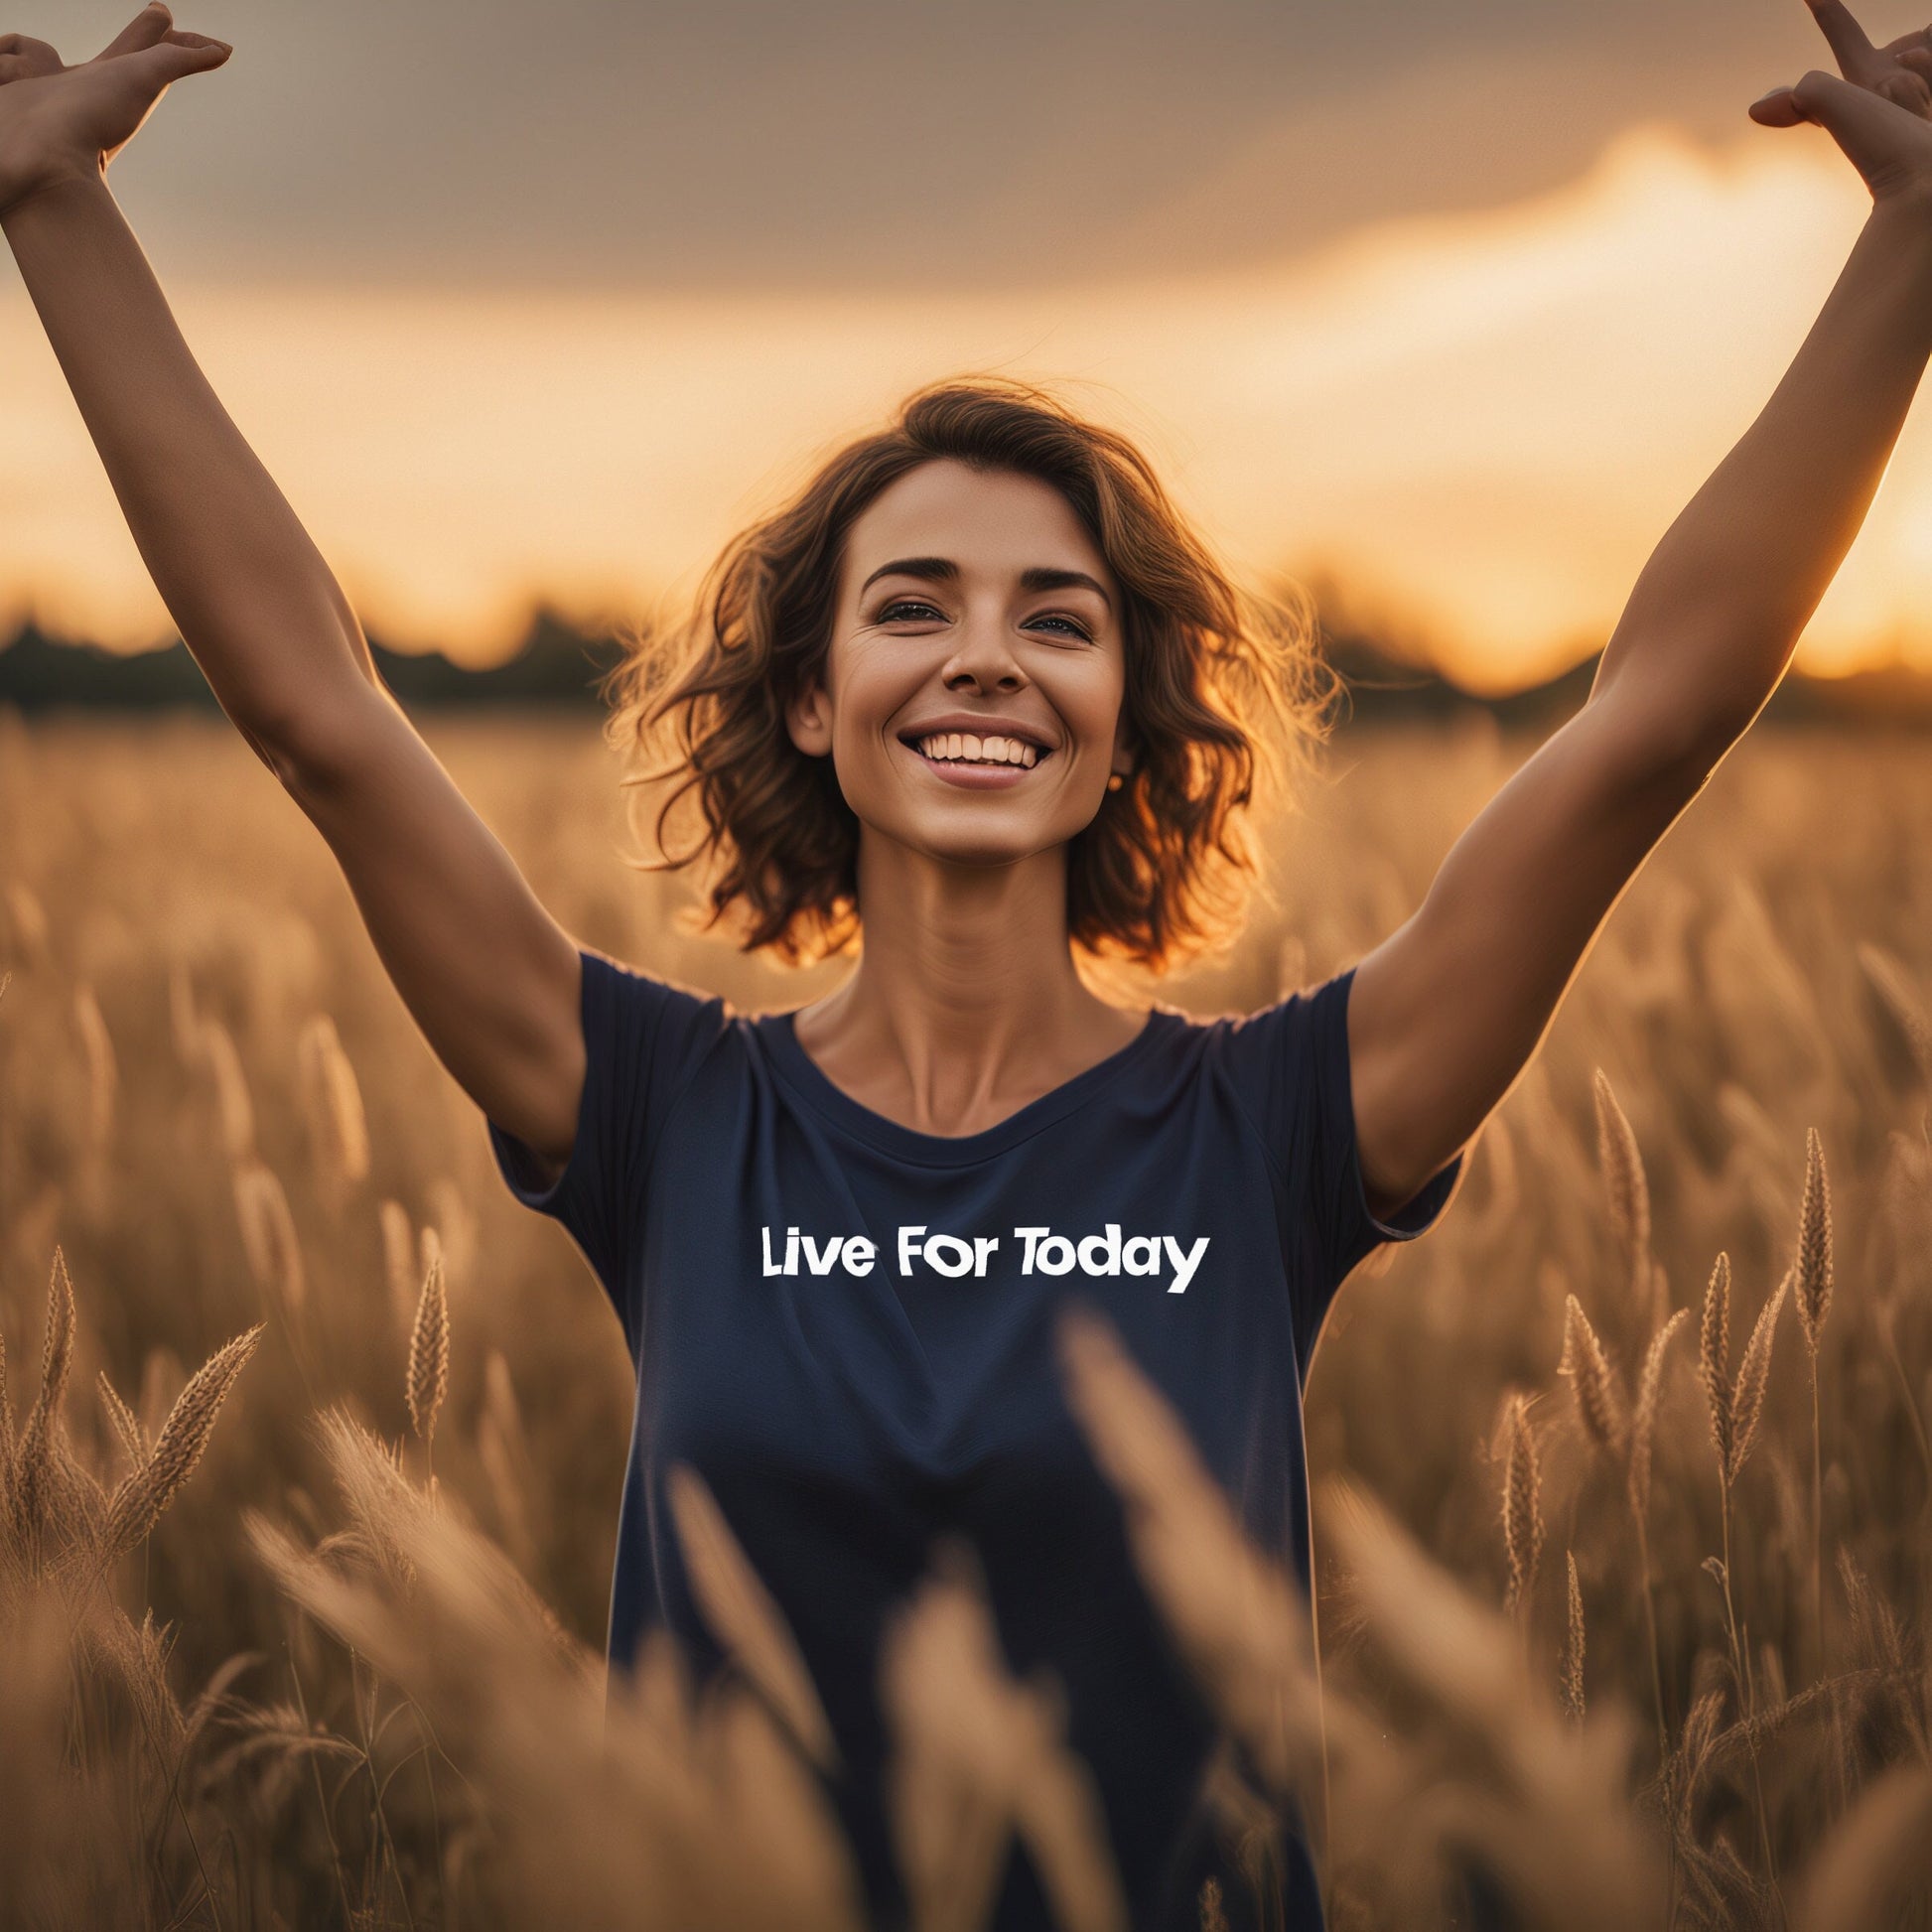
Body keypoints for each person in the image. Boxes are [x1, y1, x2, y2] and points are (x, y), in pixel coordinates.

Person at [5, 3, 1930, 1924]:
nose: (986, 655)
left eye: (1058, 619)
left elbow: (1650, 720)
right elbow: (320, 715)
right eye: (912, 604)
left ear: (1125, 719)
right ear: (817, 703)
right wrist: (61, 213)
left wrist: (1909, 244)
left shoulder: (1274, 1125)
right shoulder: (665, 1114)